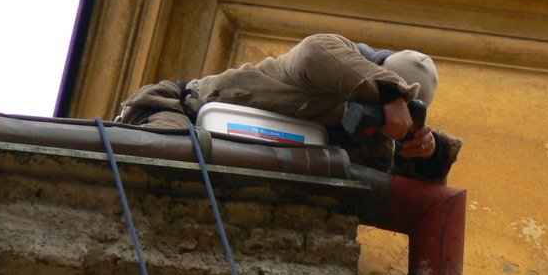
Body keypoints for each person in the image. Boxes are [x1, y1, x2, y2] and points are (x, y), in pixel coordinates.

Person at [116, 33, 461, 182]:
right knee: (161, 162)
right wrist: (387, 95)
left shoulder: (371, 145)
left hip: (241, 177)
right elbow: (316, 51)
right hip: (178, 114)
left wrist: (428, 153)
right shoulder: (322, 69)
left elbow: (414, 193)